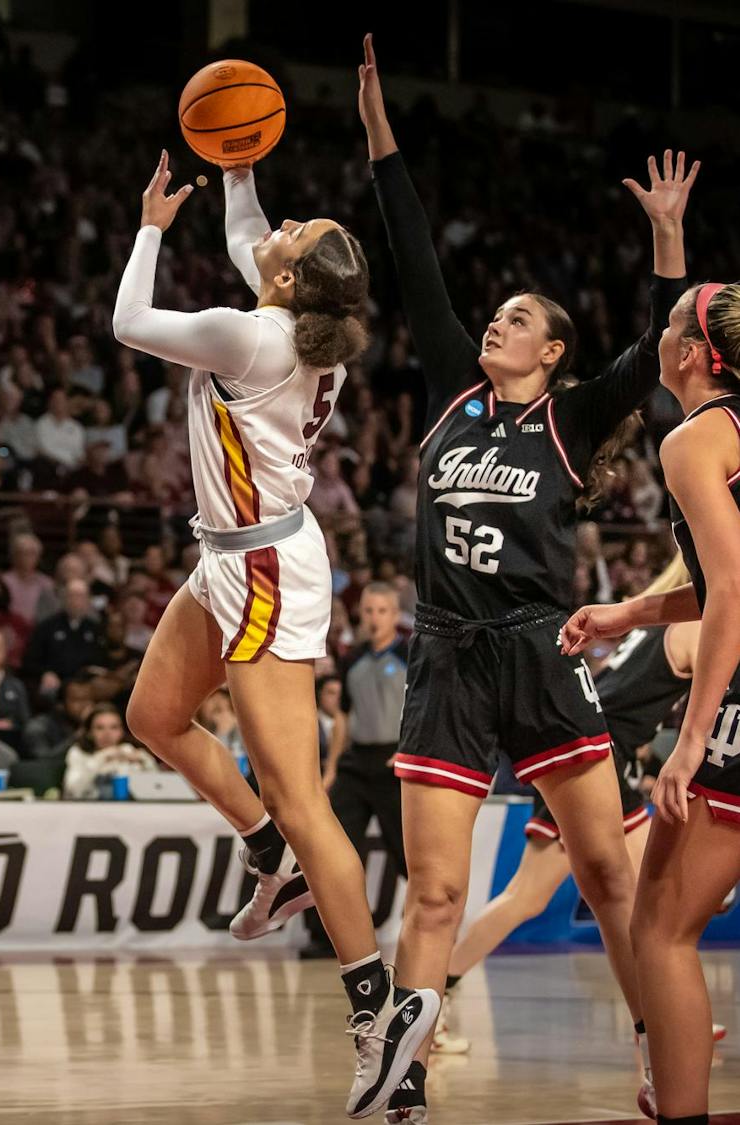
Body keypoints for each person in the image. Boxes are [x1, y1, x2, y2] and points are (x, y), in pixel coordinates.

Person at [358, 34, 695, 1122]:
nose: (495, 321)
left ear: (551, 352)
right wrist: (378, 131)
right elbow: (413, 252)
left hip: (546, 656)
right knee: (436, 891)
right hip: (450, 659)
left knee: (608, 877)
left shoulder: (573, 416)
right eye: (494, 314)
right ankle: (402, 1077)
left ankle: (658, 1050)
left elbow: (658, 349)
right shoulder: (452, 396)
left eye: (517, 318)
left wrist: (667, 237)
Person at [113, 145, 432, 1117]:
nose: (281, 226)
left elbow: (128, 321)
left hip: (261, 569)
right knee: (154, 716)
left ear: (289, 281)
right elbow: (251, 235)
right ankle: (267, 857)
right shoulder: (294, 323)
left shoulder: (249, 338)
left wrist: (151, 229)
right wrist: (237, 167)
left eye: (296, 234)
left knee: (302, 798)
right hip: (235, 552)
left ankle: (380, 1020)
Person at [562, 280, 740, 1122]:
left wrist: (691, 737)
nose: (655, 336)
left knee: (661, 927)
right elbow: (719, 582)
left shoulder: (694, 438)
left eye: (667, 325)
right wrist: (629, 612)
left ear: (694, 354)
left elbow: (734, 589)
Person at [444, 561, 706, 1056]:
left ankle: (666, 1014)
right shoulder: (692, 627)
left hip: (594, 746)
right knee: (549, 897)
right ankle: (436, 991)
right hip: (600, 757)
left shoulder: (651, 622)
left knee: (633, 901)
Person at [302, 583, 409, 961]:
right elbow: (343, 717)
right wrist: (331, 768)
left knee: (409, 854)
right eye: (368, 611)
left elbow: (422, 707)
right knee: (333, 850)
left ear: (394, 615)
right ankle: (324, 937)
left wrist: (409, 748)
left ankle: (429, 932)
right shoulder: (353, 659)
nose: (374, 618)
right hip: (355, 763)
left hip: (395, 764)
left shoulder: (410, 654)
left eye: (382, 611)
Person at [62, 704, 159, 800]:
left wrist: (145, 760)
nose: (107, 733)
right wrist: (102, 757)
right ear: (89, 732)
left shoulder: (128, 751)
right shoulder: (78, 753)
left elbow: (156, 788)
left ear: (122, 731)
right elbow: (73, 789)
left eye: (114, 727)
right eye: (100, 728)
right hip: (86, 808)